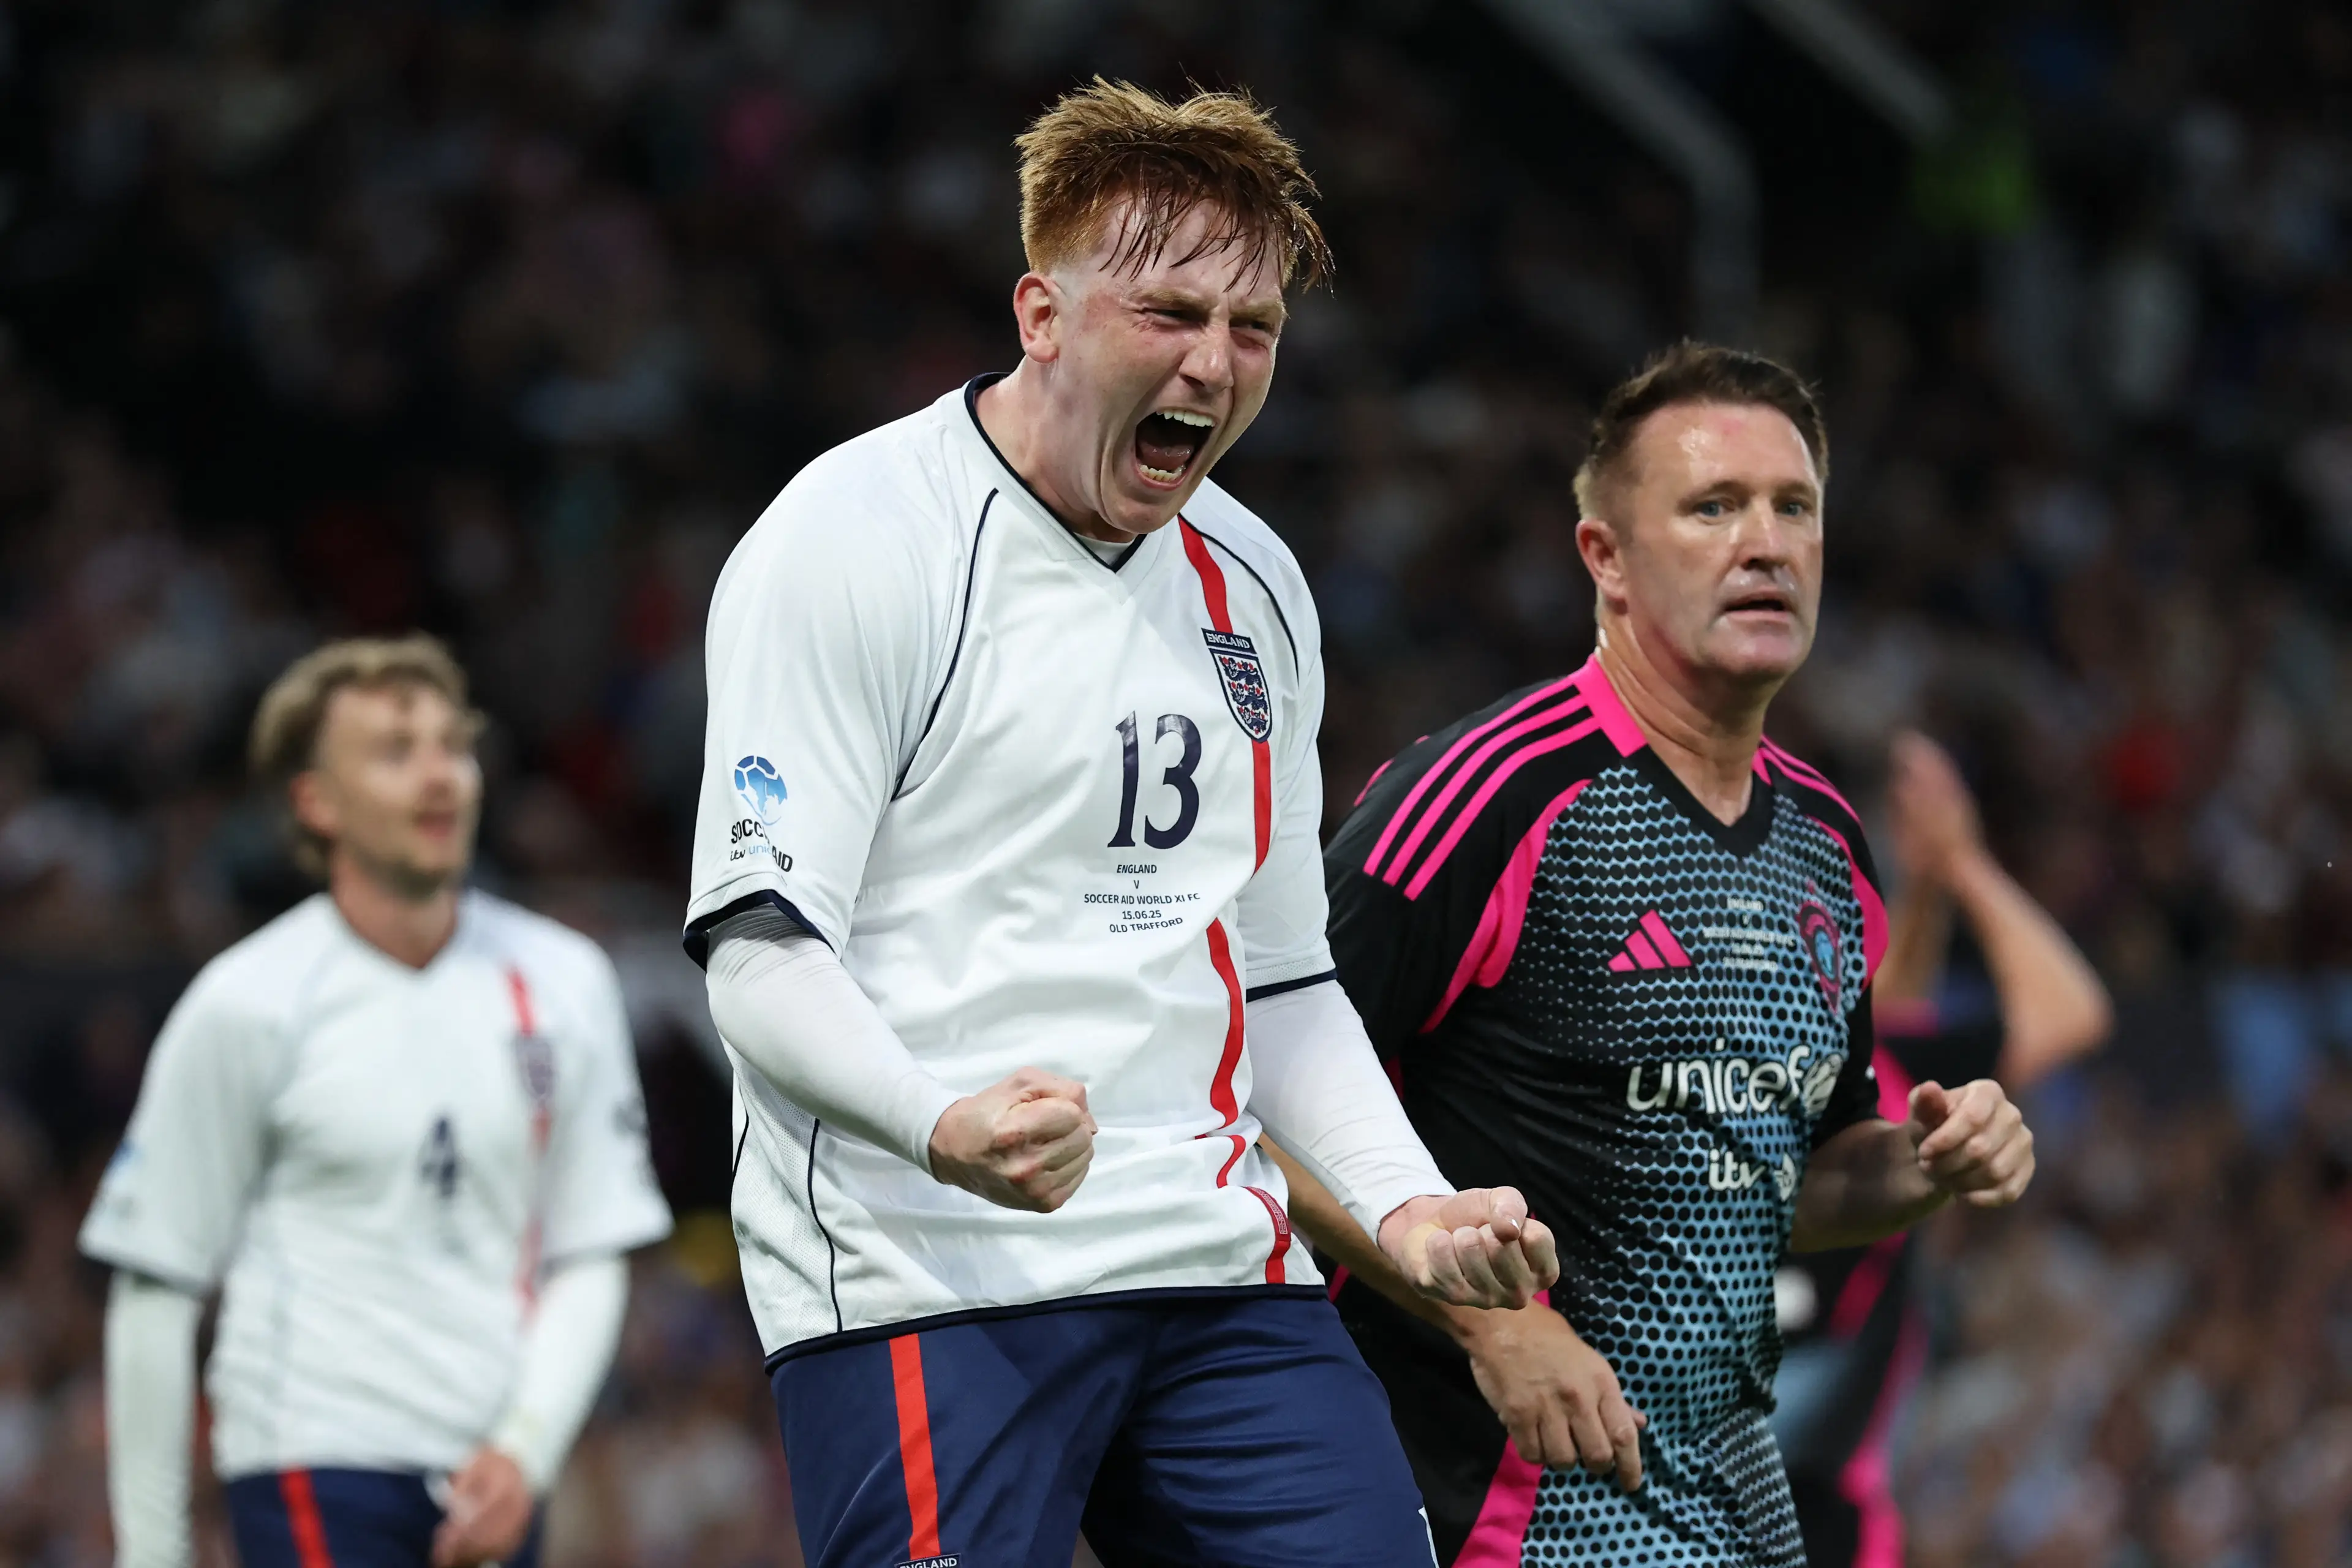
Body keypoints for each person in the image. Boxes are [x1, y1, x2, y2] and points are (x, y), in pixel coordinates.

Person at [685, 79, 1553, 1568]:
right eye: (1168, 314)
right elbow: (757, 949)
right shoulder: (855, 540)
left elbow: (1279, 974)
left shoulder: (1256, 584)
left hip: (1215, 1260)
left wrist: (1408, 1211)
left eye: (1255, 329)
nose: (1213, 365)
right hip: (925, 1265)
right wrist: (942, 1124)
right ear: (1042, 313)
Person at [1270, 341, 2038, 1568]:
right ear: (1607, 560)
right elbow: (1250, 1102)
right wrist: (1493, 1325)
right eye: (1714, 507)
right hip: (1465, 1511)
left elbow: (1794, 1187)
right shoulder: (1485, 800)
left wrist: (1928, 1162)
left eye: (1796, 508)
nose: (1768, 542)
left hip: (1721, 1513)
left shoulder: (1831, 848)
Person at [82, 636, 673, 1568]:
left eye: (454, 744)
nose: (440, 777)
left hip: (493, 1479)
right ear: (315, 801)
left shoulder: (566, 981)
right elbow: (156, 1286)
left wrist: (527, 1451)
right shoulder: (247, 1002)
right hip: (311, 1456)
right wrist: (149, 1556)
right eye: (396, 752)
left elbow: (591, 1248)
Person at [1773, 729, 2111, 1568]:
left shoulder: (1874, 1065)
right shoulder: (1773, 1058)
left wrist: (1941, 876)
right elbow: (2067, 1011)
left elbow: (2057, 1011)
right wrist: (1959, 867)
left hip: (1811, 1511)